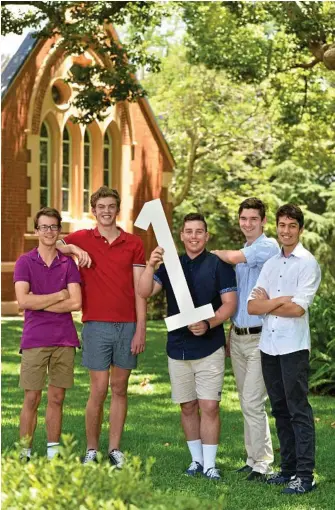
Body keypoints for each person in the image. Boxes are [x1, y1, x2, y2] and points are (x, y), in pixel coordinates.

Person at [138, 213, 237, 480]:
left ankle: (211, 465)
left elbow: (230, 303)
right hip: (178, 346)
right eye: (189, 231)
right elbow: (145, 292)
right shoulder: (171, 264)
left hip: (209, 346)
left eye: (199, 231)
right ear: (181, 236)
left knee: (209, 406)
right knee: (187, 406)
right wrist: (149, 266)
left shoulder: (218, 265)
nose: (194, 236)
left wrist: (209, 323)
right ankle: (196, 461)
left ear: (206, 236)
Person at [58, 186, 146, 467]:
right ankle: (92, 449)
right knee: (98, 389)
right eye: (101, 207)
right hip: (95, 325)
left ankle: (115, 449)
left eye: (111, 206)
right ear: (93, 210)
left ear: (117, 210)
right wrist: (72, 248)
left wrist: (141, 329)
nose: (106, 211)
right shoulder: (81, 238)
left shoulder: (133, 243)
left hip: (127, 325)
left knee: (120, 388)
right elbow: (54, 243)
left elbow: (140, 290)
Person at [248, 204, 321, 495]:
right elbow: (253, 307)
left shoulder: (308, 263)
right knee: (279, 408)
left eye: (292, 225)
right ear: (276, 227)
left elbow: (298, 310)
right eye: (282, 225)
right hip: (269, 346)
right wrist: (279, 302)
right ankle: (288, 469)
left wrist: (271, 302)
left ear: (299, 229)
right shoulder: (270, 264)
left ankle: (305, 475)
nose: (286, 230)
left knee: (298, 409)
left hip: (293, 347)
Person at [212, 198, 279, 480]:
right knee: (245, 400)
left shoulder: (268, 247)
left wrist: (208, 252)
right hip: (239, 337)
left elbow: (232, 257)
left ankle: (263, 463)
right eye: (244, 218)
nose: (248, 223)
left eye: (254, 219)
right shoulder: (245, 250)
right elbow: (238, 298)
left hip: (261, 338)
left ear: (263, 221)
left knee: (253, 401)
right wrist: (231, 331)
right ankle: (252, 460)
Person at [14, 207, 82, 461]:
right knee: (31, 397)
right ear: (36, 231)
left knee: (57, 397)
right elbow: (22, 300)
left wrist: (39, 302)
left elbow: (76, 303)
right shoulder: (25, 261)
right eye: (44, 227)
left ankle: (53, 453)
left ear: (59, 231)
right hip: (34, 340)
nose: (49, 231)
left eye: (53, 227)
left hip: (64, 338)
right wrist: (57, 296)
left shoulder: (68, 264)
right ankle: (25, 452)